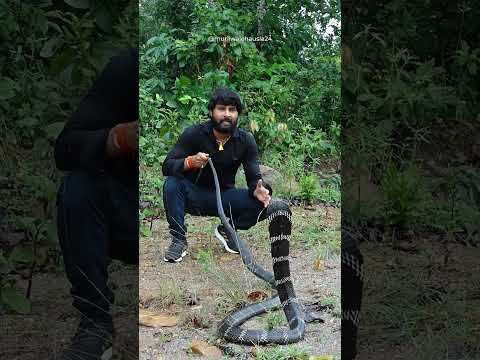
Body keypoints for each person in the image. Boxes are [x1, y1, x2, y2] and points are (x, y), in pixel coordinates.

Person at [53, 48, 139, 359]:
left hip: (178, 223)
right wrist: (119, 138)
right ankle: (95, 323)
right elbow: (65, 149)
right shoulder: (128, 69)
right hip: (125, 217)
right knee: (78, 186)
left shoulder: (215, 104)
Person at [162, 88, 273, 262]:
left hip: (225, 197)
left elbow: (253, 178)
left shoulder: (246, 140)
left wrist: (258, 189)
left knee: (266, 199)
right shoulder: (194, 133)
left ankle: (228, 229)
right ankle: (178, 240)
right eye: (222, 109)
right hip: (194, 196)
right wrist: (189, 162)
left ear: (238, 114)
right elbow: (167, 166)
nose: (227, 114)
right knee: (172, 183)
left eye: (232, 110)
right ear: (211, 111)